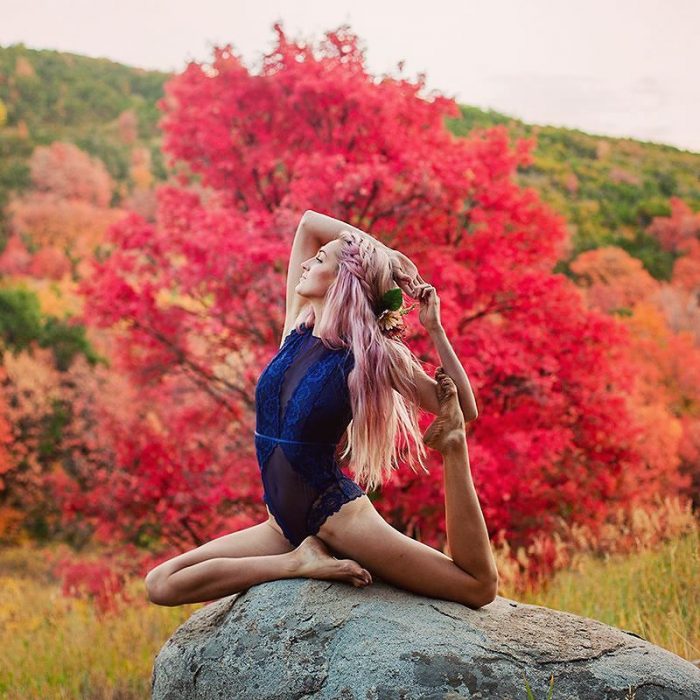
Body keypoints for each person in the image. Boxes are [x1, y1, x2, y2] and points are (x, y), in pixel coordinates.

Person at [145, 211, 498, 609]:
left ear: (342, 280)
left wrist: (435, 329)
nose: (308, 262)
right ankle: (298, 562)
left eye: (321, 260)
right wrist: (388, 254)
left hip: (337, 517)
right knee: (162, 584)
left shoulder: (371, 356)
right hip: (281, 524)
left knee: (477, 588)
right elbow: (309, 224)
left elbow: (462, 408)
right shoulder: (295, 329)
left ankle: (453, 451)